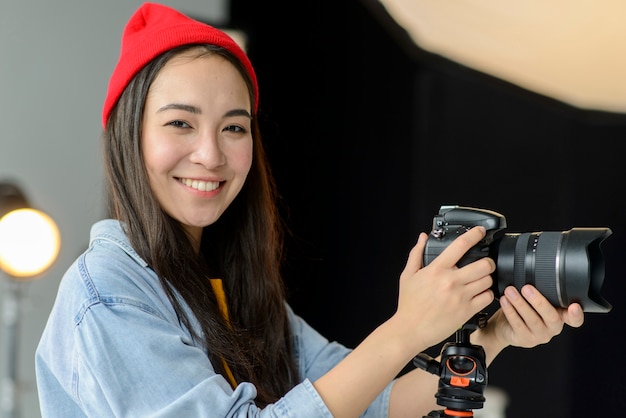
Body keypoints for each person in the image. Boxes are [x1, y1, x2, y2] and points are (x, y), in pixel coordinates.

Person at [35, 3, 584, 417]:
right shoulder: (107, 289)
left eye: (234, 127)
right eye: (180, 122)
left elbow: (372, 402)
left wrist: (496, 337)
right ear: (127, 138)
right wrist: (405, 327)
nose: (210, 153)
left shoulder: (233, 289)